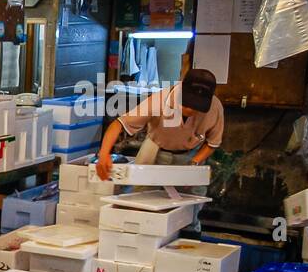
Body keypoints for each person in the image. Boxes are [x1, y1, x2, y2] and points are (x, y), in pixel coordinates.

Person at [94, 68, 223, 185]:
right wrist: (104, 153)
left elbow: (212, 143)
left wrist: (194, 163)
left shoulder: (215, 108)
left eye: (197, 106)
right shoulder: (159, 101)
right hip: (155, 149)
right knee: (142, 194)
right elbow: (119, 124)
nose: (190, 109)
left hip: (191, 154)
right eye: (187, 103)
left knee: (188, 201)